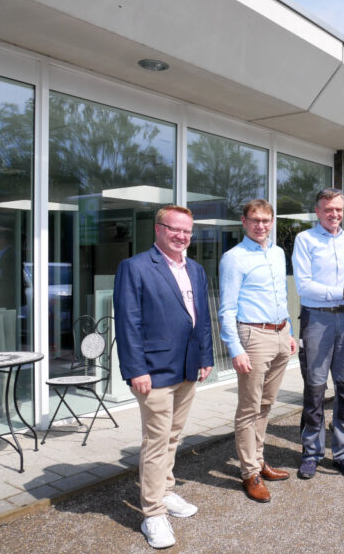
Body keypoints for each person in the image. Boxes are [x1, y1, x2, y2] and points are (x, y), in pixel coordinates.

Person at [114, 205, 213, 550]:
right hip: (153, 370)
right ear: (158, 229)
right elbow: (128, 322)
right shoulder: (136, 267)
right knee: (156, 442)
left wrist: (205, 356)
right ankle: (153, 513)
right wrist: (135, 368)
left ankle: (165, 490)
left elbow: (200, 318)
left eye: (187, 231)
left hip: (187, 367)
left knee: (173, 437)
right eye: (175, 229)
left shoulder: (196, 269)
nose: (182, 236)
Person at [218, 199, 296, 503]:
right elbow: (227, 309)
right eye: (255, 220)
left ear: (272, 221)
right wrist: (235, 348)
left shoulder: (277, 253)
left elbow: (281, 294)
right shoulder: (233, 258)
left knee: (266, 404)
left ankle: (259, 460)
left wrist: (288, 329)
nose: (261, 226)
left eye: (266, 220)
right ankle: (249, 472)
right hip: (253, 335)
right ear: (244, 221)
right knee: (249, 408)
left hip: (279, 333)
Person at [291, 188, 344, 480]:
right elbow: (304, 287)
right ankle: (311, 453)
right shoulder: (305, 240)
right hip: (317, 321)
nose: (334, 215)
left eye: (338, 209)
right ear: (317, 211)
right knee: (315, 389)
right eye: (328, 210)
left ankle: (343, 453)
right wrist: (343, 292)